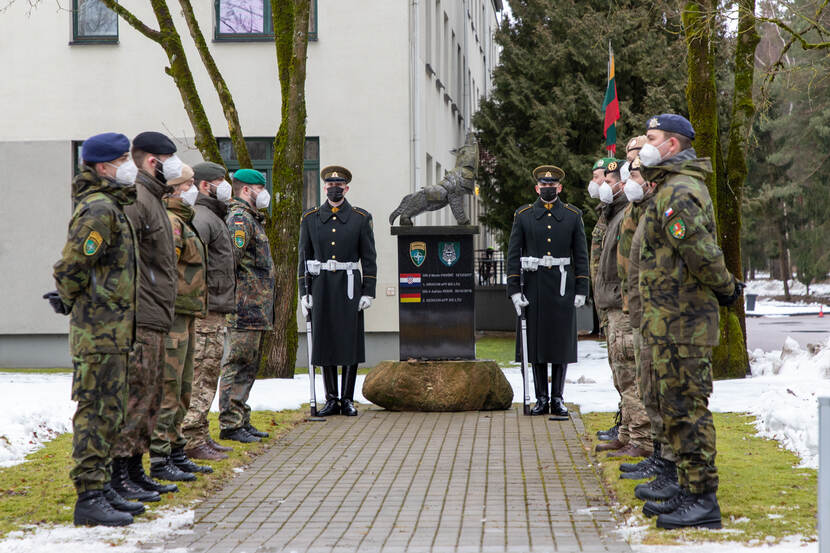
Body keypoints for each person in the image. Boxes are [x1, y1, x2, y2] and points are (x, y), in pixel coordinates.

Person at [637, 114, 742, 529]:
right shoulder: (669, 186)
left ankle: (703, 500)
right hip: (669, 321)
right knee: (675, 407)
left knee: (687, 409)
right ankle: (687, 486)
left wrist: (729, 289)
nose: (646, 144)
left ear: (673, 146)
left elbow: (700, 252)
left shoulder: (679, 190)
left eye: (652, 138)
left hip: (684, 322)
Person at [48, 132, 142, 526]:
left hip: (114, 331)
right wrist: (70, 301)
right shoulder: (99, 209)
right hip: (98, 332)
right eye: (123, 158)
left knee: (111, 412)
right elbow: (71, 266)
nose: (129, 165)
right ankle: (88, 495)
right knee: (96, 412)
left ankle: (101, 485)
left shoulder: (113, 206)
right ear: (103, 166)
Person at [111, 132, 181, 499]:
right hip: (140, 317)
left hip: (156, 315)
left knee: (150, 398)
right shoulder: (139, 200)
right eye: (171, 158)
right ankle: (119, 474)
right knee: (136, 398)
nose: (176, 166)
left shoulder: (154, 200)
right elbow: (128, 261)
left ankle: (135, 470)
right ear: (153, 162)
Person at [506, 165, 590, 417]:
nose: (548, 189)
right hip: (534, 287)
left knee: (560, 344)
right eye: (544, 186)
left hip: (563, 287)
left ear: (560, 188)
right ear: (537, 188)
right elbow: (513, 254)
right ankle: (541, 398)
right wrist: (513, 290)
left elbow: (581, 255)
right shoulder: (524, 215)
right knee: (537, 344)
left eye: (552, 186)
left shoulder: (573, 215)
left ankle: (558, 399)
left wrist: (582, 288)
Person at [298, 166, 378, 417]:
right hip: (321, 286)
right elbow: (303, 257)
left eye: (339, 185)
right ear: (324, 188)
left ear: (346, 188)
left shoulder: (360, 217)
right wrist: (304, 292)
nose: (334, 188)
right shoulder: (310, 218)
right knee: (325, 340)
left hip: (349, 286)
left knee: (349, 341)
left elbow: (369, 258)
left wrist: (369, 291)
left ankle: (347, 399)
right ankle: (331, 398)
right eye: (330, 185)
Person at [149, 164, 212, 481]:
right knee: (170, 388)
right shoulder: (173, 223)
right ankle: (160, 457)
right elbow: (165, 270)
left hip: (186, 313)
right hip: (173, 315)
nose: (193, 189)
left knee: (185, 387)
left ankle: (176, 450)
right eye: (188, 184)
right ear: (174, 189)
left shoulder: (184, 222)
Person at [616, 158, 677, 481]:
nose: (629, 179)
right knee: (646, 388)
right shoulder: (634, 211)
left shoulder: (666, 205)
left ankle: (668, 464)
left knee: (659, 392)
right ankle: (657, 456)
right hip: (637, 307)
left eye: (635, 173)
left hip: (659, 312)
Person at [593, 160, 653, 458]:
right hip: (613, 302)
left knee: (629, 375)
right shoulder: (615, 213)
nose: (601, 183)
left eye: (605, 178)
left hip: (622, 303)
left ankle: (640, 440)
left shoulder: (627, 212)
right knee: (622, 375)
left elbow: (628, 263)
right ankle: (627, 434)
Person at [182, 162, 236, 461]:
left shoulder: (213, 216)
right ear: (205, 186)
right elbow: (191, 264)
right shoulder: (203, 218)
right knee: (201, 374)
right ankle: (191, 438)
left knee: (208, 373)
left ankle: (200, 433)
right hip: (205, 311)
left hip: (214, 309)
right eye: (219, 181)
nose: (225, 186)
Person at [218, 169, 276, 441]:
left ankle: (241, 418)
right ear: (245, 191)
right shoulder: (240, 219)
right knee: (237, 363)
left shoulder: (252, 219)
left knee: (248, 366)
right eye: (260, 188)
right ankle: (230, 424)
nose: (264, 193)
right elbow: (230, 260)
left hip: (255, 309)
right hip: (243, 308)